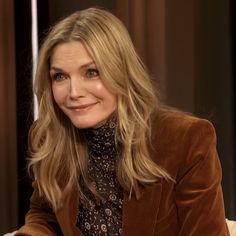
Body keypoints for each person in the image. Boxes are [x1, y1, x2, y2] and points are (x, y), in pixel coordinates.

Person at [15, 7, 229, 236]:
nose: (74, 92)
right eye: (60, 76)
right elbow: (45, 215)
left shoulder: (187, 139)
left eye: (91, 72)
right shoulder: (50, 136)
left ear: (121, 72)